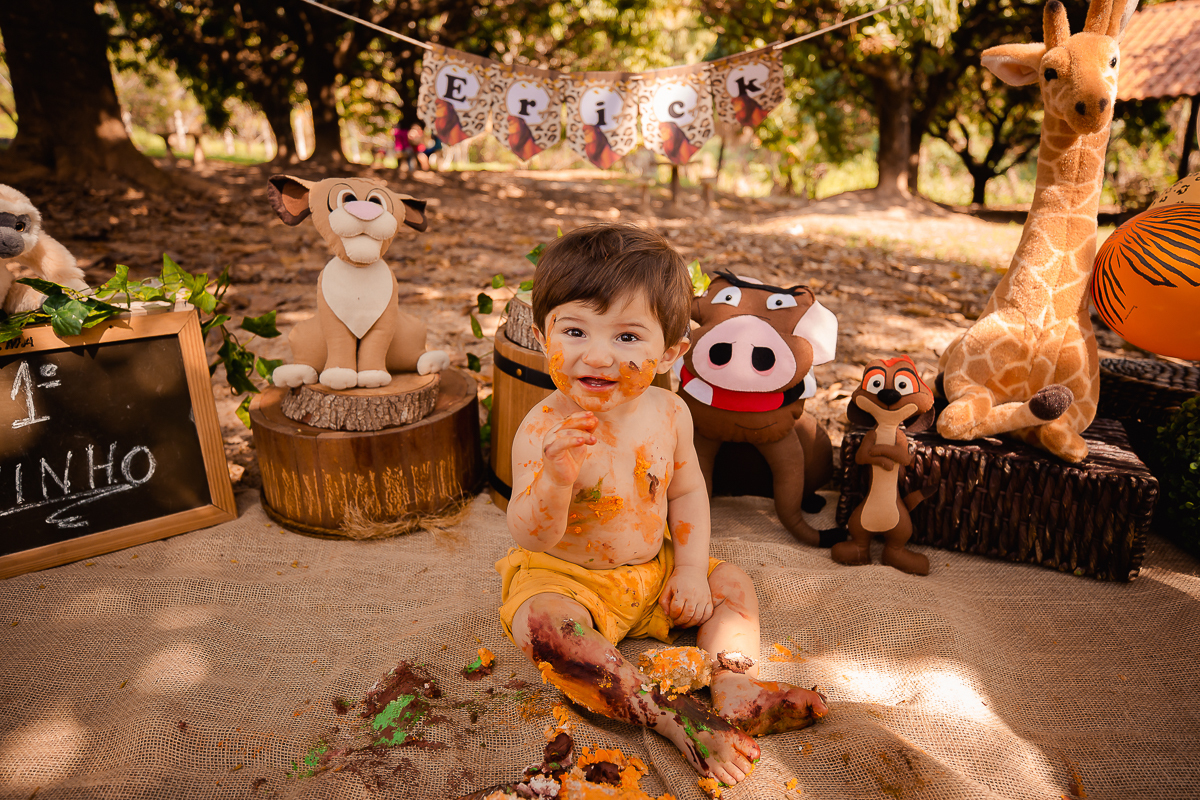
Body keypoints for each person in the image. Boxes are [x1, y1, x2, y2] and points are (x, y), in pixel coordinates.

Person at [497, 223, 829, 788]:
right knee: (542, 627)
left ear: (671, 352)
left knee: (736, 587)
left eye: (627, 338)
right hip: (570, 578)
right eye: (574, 331)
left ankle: (734, 684)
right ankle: (671, 717)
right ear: (541, 333)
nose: (597, 356)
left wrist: (693, 571)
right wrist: (555, 480)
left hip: (655, 571)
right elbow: (531, 536)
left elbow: (686, 492)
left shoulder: (671, 413)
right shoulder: (543, 429)